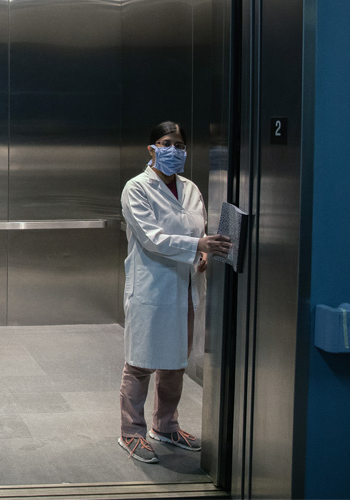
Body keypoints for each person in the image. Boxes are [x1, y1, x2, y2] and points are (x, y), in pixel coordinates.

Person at [117, 121, 231, 464]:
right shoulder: (136, 188)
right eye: (167, 143)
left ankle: (166, 426)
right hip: (152, 286)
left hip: (186, 287)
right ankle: (131, 432)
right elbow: (152, 237)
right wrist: (197, 243)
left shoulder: (192, 189)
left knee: (175, 362)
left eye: (180, 145)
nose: (174, 150)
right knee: (140, 362)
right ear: (152, 149)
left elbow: (201, 229)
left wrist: (205, 253)